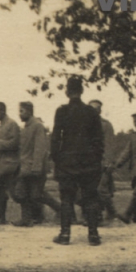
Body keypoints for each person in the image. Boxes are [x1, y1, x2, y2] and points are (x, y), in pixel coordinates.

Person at [50, 76, 104, 245]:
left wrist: (58, 159)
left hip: (67, 163)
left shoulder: (62, 111)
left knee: (66, 198)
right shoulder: (91, 112)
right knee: (91, 198)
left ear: (67, 92)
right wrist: (95, 160)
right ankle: (93, 235)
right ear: (82, 91)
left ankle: (65, 235)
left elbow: (55, 139)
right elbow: (99, 140)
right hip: (89, 163)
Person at [12, 101, 52, 227]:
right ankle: (26, 219)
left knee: (36, 195)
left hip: (34, 167)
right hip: (25, 167)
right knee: (21, 193)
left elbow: (40, 148)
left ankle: (62, 210)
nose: (19, 114)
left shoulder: (37, 126)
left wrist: (36, 167)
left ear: (29, 111)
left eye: (22, 111)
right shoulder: (26, 127)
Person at [0, 102, 20, 224]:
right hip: (0, 164)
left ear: (3, 111)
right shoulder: (1, 125)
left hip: (10, 165)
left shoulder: (11, 124)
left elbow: (14, 143)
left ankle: (33, 214)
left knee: (16, 193)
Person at [88, 99, 117, 223]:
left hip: (102, 163)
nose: (94, 111)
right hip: (89, 164)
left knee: (101, 190)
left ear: (100, 111)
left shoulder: (106, 125)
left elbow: (109, 145)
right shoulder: (84, 125)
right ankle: (98, 215)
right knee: (90, 190)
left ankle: (110, 213)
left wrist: (109, 161)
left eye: (96, 109)